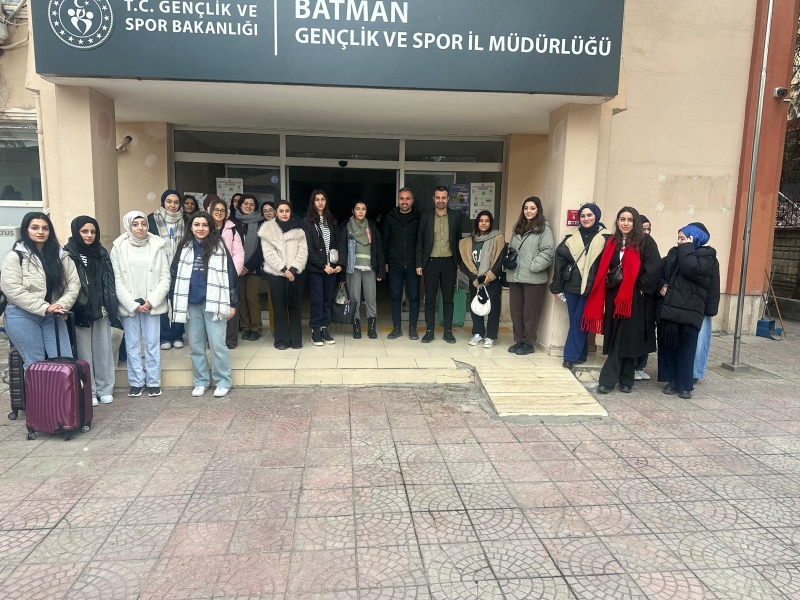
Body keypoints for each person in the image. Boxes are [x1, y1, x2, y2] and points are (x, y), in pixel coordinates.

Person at [582, 207, 661, 394]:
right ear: (617, 222)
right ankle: (626, 380)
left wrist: (641, 287)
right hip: (613, 296)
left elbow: (654, 266)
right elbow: (602, 266)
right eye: (622, 219)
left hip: (634, 299)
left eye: (629, 220)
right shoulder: (611, 242)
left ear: (635, 223)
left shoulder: (645, 241)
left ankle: (607, 380)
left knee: (623, 337)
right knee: (623, 338)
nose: (625, 223)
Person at [171, 212, 239, 398]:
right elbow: (174, 274)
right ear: (190, 227)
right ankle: (200, 381)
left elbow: (231, 275)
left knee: (217, 345)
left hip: (214, 303)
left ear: (210, 227)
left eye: (204, 225)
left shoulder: (219, 246)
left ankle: (223, 381)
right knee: (196, 346)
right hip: (191, 304)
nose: (200, 228)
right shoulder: (184, 247)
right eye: (196, 225)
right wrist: (174, 301)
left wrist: (233, 303)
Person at [1, 212, 80, 368]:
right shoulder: (15, 256)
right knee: (36, 364)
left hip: (54, 315)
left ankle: (59, 388)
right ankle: (34, 386)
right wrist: (45, 307)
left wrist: (61, 305)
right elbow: (12, 289)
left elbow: (73, 284)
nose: (40, 232)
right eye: (35, 228)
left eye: (45, 228)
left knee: (64, 362)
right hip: (22, 315)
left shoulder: (62, 256)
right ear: (26, 230)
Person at [111, 211, 172, 397]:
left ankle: (153, 381)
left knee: (152, 343)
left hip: (151, 304)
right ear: (128, 226)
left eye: (144, 224)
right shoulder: (118, 247)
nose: (140, 228)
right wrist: (132, 304)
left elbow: (165, 277)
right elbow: (117, 280)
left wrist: (151, 301)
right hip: (129, 304)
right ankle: (136, 381)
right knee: (132, 344)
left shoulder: (158, 245)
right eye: (135, 224)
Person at [64, 216, 122, 407]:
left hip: (101, 309)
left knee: (103, 350)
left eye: (93, 231)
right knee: (84, 353)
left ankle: (105, 389)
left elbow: (108, 281)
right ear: (76, 232)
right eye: (84, 231)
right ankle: (89, 391)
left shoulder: (101, 252)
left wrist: (110, 305)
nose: (89, 235)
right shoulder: (68, 254)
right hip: (81, 311)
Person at [657, 223, 718, 399]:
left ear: (694, 239)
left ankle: (684, 384)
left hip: (691, 310)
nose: (679, 241)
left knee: (686, 348)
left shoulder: (707, 256)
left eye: (683, 238)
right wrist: (661, 285)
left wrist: (687, 248)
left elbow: (691, 268)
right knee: (668, 345)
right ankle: (671, 381)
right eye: (678, 238)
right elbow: (659, 272)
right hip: (671, 307)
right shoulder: (673, 253)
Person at [550, 203, 610, 369]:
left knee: (580, 321)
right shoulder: (571, 237)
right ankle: (581, 355)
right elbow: (559, 262)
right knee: (576, 321)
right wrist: (557, 286)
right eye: (582, 216)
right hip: (571, 286)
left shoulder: (606, 238)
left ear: (596, 216)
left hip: (592, 287)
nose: (586, 218)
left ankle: (570, 356)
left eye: (589, 215)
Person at [506, 197, 555, 355]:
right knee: (516, 311)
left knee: (530, 313)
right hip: (515, 276)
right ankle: (519, 340)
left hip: (533, 278)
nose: (528, 211)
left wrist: (533, 266)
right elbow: (512, 248)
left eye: (532, 208)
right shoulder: (518, 227)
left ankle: (528, 343)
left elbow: (548, 252)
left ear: (538, 210)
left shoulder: (544, 229)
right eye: (526, 208)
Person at [416, 186, 462, 344]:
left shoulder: (455, 216)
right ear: (433, 198)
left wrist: (458, 262)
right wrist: (419, 263)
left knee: (448, 298)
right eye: (438, 197)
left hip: (449, 262)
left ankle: (448, 331)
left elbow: (458, 241)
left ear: (448, 199)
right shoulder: (426, 217)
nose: (440, 200)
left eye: (443, 197)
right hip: (431, 262)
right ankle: (429, 331)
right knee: (430, 299)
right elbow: (420, 242)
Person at [260, 200, 308, 350]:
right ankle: (281, 340)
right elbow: (268, 253)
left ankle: (296, 340)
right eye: (281, 211)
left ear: (290, 212)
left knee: (295, 307)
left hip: (296, 273)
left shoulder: (299, 229)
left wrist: (293, 269)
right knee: (279, 307)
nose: (284, 214)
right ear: (276, 212)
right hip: (276, 274)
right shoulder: (268, 229)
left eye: (287, 211)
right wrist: (283, 269)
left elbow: (303, 251)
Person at [303, 189, 345, 346]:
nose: (320, 202)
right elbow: (308, 248)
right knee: (317, 300)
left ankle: (324, 328)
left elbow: (340, 243)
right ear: (312, 202)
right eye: (317, 199)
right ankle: (315, 330)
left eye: (323, 199)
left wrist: (339, 264)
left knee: (328, 299)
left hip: (331, 269)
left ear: (326, 201)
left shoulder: (331, 221)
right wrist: (322, 265)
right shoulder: (307, 221)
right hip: (316, 269)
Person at [459, 210, 506, 349]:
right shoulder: (468, 241)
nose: (484, 223)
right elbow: (465, 262)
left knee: (493, 309)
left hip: (492, 279)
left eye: (487, 221)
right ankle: (478, 333)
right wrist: (475, 278)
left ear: (491, 223)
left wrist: (489, 276)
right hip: (475, 280)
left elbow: (500, 259)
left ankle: (491, 336)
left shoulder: (497, 237)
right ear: (477, 222)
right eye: (481, 220)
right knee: (476, 307)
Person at [148, 189, 186, 350]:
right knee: (161, 301)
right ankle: (164, 336)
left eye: (176, 202)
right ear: (163, 202)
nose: (172, 205)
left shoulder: (186, 219)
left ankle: (177, 335)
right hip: (160, 266)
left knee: (179, 301)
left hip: (180, 266)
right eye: (169, 201)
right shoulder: (151, 219)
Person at [343, 200, 385, 339]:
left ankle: (371, 327)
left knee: (370, 297)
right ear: (352, 211)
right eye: (357, 209)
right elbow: (342, 249)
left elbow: (378, 248)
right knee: (354, 298)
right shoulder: (346, 226)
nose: (361, 211)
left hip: (369, 266)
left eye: (363, 209)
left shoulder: (372, 226)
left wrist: (380, 270)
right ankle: (356, 326)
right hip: (352, 267)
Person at [383, 187, 422, 340]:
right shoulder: (390, 217)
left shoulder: (419, 217)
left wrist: (420, 262)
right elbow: (386, 240)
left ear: (412, 200)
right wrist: (386, 261)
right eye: (401, 198)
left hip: (413, 265)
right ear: (398, 200)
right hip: (395, 264)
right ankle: (397, 328)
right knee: (395, 297)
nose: (404, 201)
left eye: (407, 198)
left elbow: (422, 241)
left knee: (414, 298)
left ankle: (413, 329)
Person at [209, 198, 245, 349]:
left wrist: (233, 272)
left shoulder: (232, 228)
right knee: (212, 306)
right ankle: (213, 339)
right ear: (211, 211)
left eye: (222, 210)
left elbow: (239, 252)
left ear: (226, 213)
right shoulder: (205, 227)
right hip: (210, 274)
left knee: (231, 304)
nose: (219, 213)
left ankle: (230, 339)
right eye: (216, 210)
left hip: (229, 272)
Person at [691, 223, 720, 382]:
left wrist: (709, 309)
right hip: (688, 304)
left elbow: (714, 286)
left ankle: (696, 372)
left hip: (702, 306)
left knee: (701, 341)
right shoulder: (684, 254)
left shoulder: (709, 258)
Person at [235, 194, 265, 341]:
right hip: (237, 267)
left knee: (252, 297)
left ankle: (256, 328)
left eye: (252, 204)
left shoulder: (261, 223)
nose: (248, 206)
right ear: (240, 205)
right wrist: (240, 266)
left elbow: (262, 249)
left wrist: (247, 266)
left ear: (255, 207)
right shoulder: (234, 222)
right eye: (245, 203)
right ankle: (245, 327)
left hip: (254, 267)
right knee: (241, 298)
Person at [634, 214, 653, 381]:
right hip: (633, 294)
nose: (646, 232)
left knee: (646, 331)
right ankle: (632, 366)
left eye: (649, 229)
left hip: (647, 295)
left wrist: (644, 286)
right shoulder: (632, 244)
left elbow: (654, 268)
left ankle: (640, 366)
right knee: (635, 331)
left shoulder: (650, 244)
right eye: (643, 229)